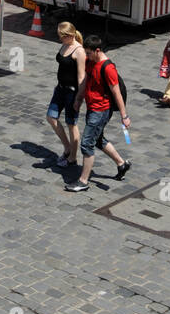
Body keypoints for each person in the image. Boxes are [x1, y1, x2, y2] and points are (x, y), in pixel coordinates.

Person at [65, 36, 131, 193]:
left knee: (87, 143)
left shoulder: (108, 68)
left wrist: (124, 116)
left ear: (98, 51)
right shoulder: (90, 61)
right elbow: (85, 82)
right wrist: (78, 99)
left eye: (89, 53)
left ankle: (83, 181)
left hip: (101, 110)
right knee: (98, 139)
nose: (86, 57)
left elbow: (116, 93)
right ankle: (122, 164)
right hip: (91, 107)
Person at [46, 22, 85, 167]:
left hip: (72, 92)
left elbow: (82, 76)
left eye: (62, 37)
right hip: (60, 89)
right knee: (51, 117)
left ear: (70, 36)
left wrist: (79, 98)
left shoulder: (79, 51)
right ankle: (67, 147)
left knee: (71, 124)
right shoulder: (65, 45)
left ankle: (73, 157)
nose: (60, 39)